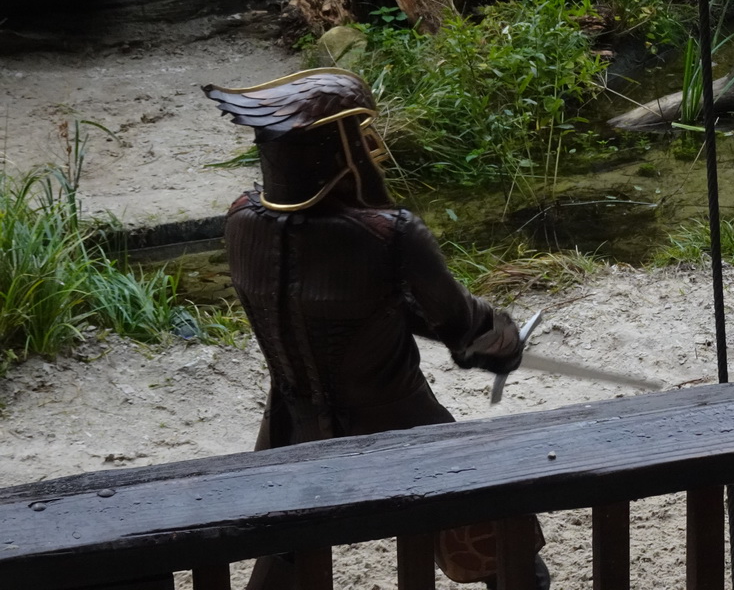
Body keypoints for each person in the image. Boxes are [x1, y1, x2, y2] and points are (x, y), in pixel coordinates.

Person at [204, 67, 549, 590]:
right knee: (508, 549)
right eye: (361, 134)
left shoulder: (240, 219)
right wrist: (501, 341)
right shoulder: (388, 234)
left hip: (291, 429)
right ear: (337, 148)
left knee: (284, 559)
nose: (374, 146)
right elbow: (462, 324)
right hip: (400, 428)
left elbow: (356, 305)